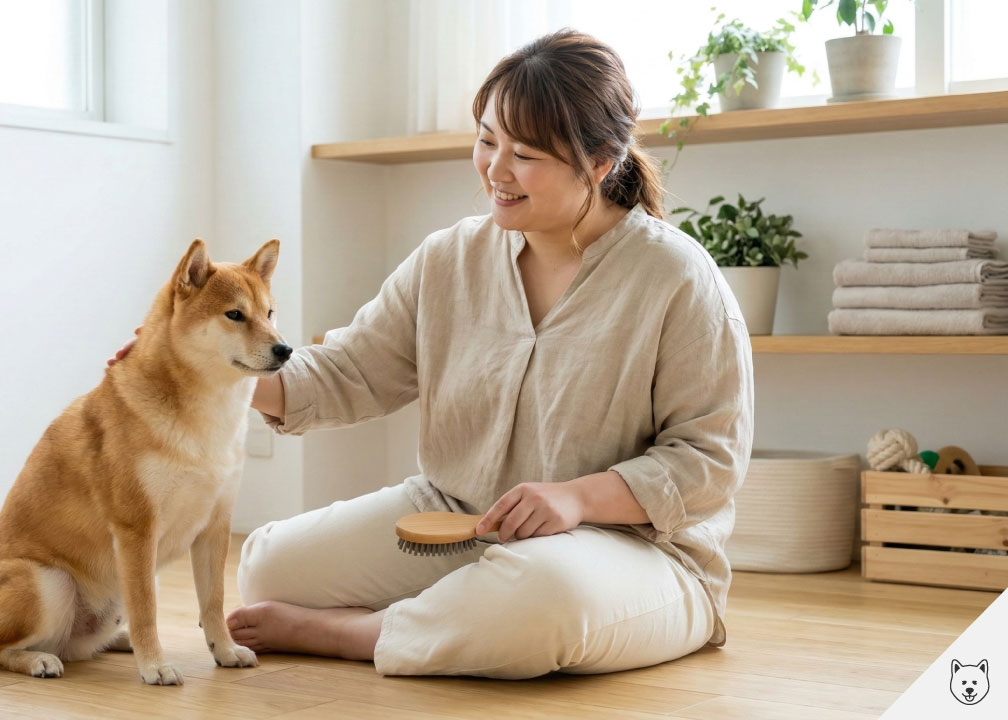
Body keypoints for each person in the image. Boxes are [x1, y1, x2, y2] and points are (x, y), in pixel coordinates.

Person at [111, 29, 752, 679]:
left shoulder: (677, 280)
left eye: (524, 154)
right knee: (269, 564)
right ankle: (447, 616)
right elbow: (350, 371)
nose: (496, 171)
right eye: (486, 141)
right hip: (459, 518)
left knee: (541, 601)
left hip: (629, 549)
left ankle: (357, 635)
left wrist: (579, 499)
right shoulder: (452, 258)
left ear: (601, 160)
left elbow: (709, 462)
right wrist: (199, 364)